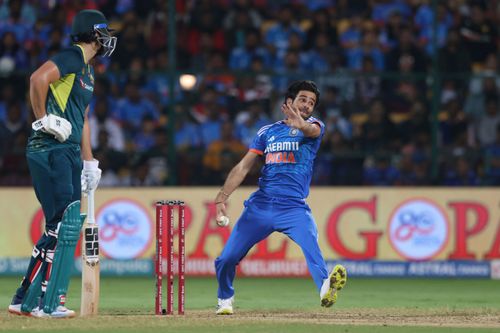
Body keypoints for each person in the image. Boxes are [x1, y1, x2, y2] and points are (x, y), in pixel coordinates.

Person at [7, 9, 116, 318]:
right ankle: (43, 302)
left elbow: (81, 117)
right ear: (93, 34)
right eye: (104, 32)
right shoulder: (73, 56)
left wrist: (89, 160)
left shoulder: (88, 71)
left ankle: (25, 298)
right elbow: (38, 78)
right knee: (59, 226)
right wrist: (42, 119)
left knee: (64, 225)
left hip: (67, 150)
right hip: (49, 147)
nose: (107, 38)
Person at [213, 81, 347, 315]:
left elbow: (312, 130)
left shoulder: (314, 126)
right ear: (288, 103)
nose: (307, 105)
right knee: (226, 259)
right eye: (302, 99)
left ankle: (325, 289)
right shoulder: (267, 132)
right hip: (261, 206)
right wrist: (221, 198)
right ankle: (225, 299)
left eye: (311, 103)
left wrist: (301, 126)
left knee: (311, 247)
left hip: (293, 208)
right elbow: (244, 166)